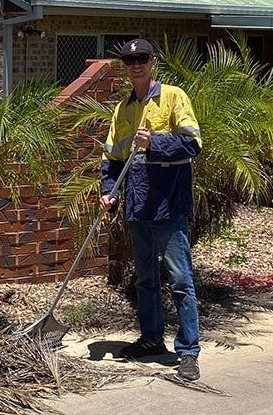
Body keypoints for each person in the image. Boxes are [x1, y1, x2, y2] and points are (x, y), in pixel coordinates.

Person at [99, 38, 202, 381]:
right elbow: (112, 159)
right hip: (137, 206)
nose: (136, 64)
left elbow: (192, 144)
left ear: (152, 61)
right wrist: (108, 193)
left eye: (142, 58)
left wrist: (154, 142)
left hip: (168, 205)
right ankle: (152, 339)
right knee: (145, 280)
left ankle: (188, 351)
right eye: (130, 60)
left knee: (180, 280)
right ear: (125, 67)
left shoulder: (173, 97)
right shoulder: (123, 109)